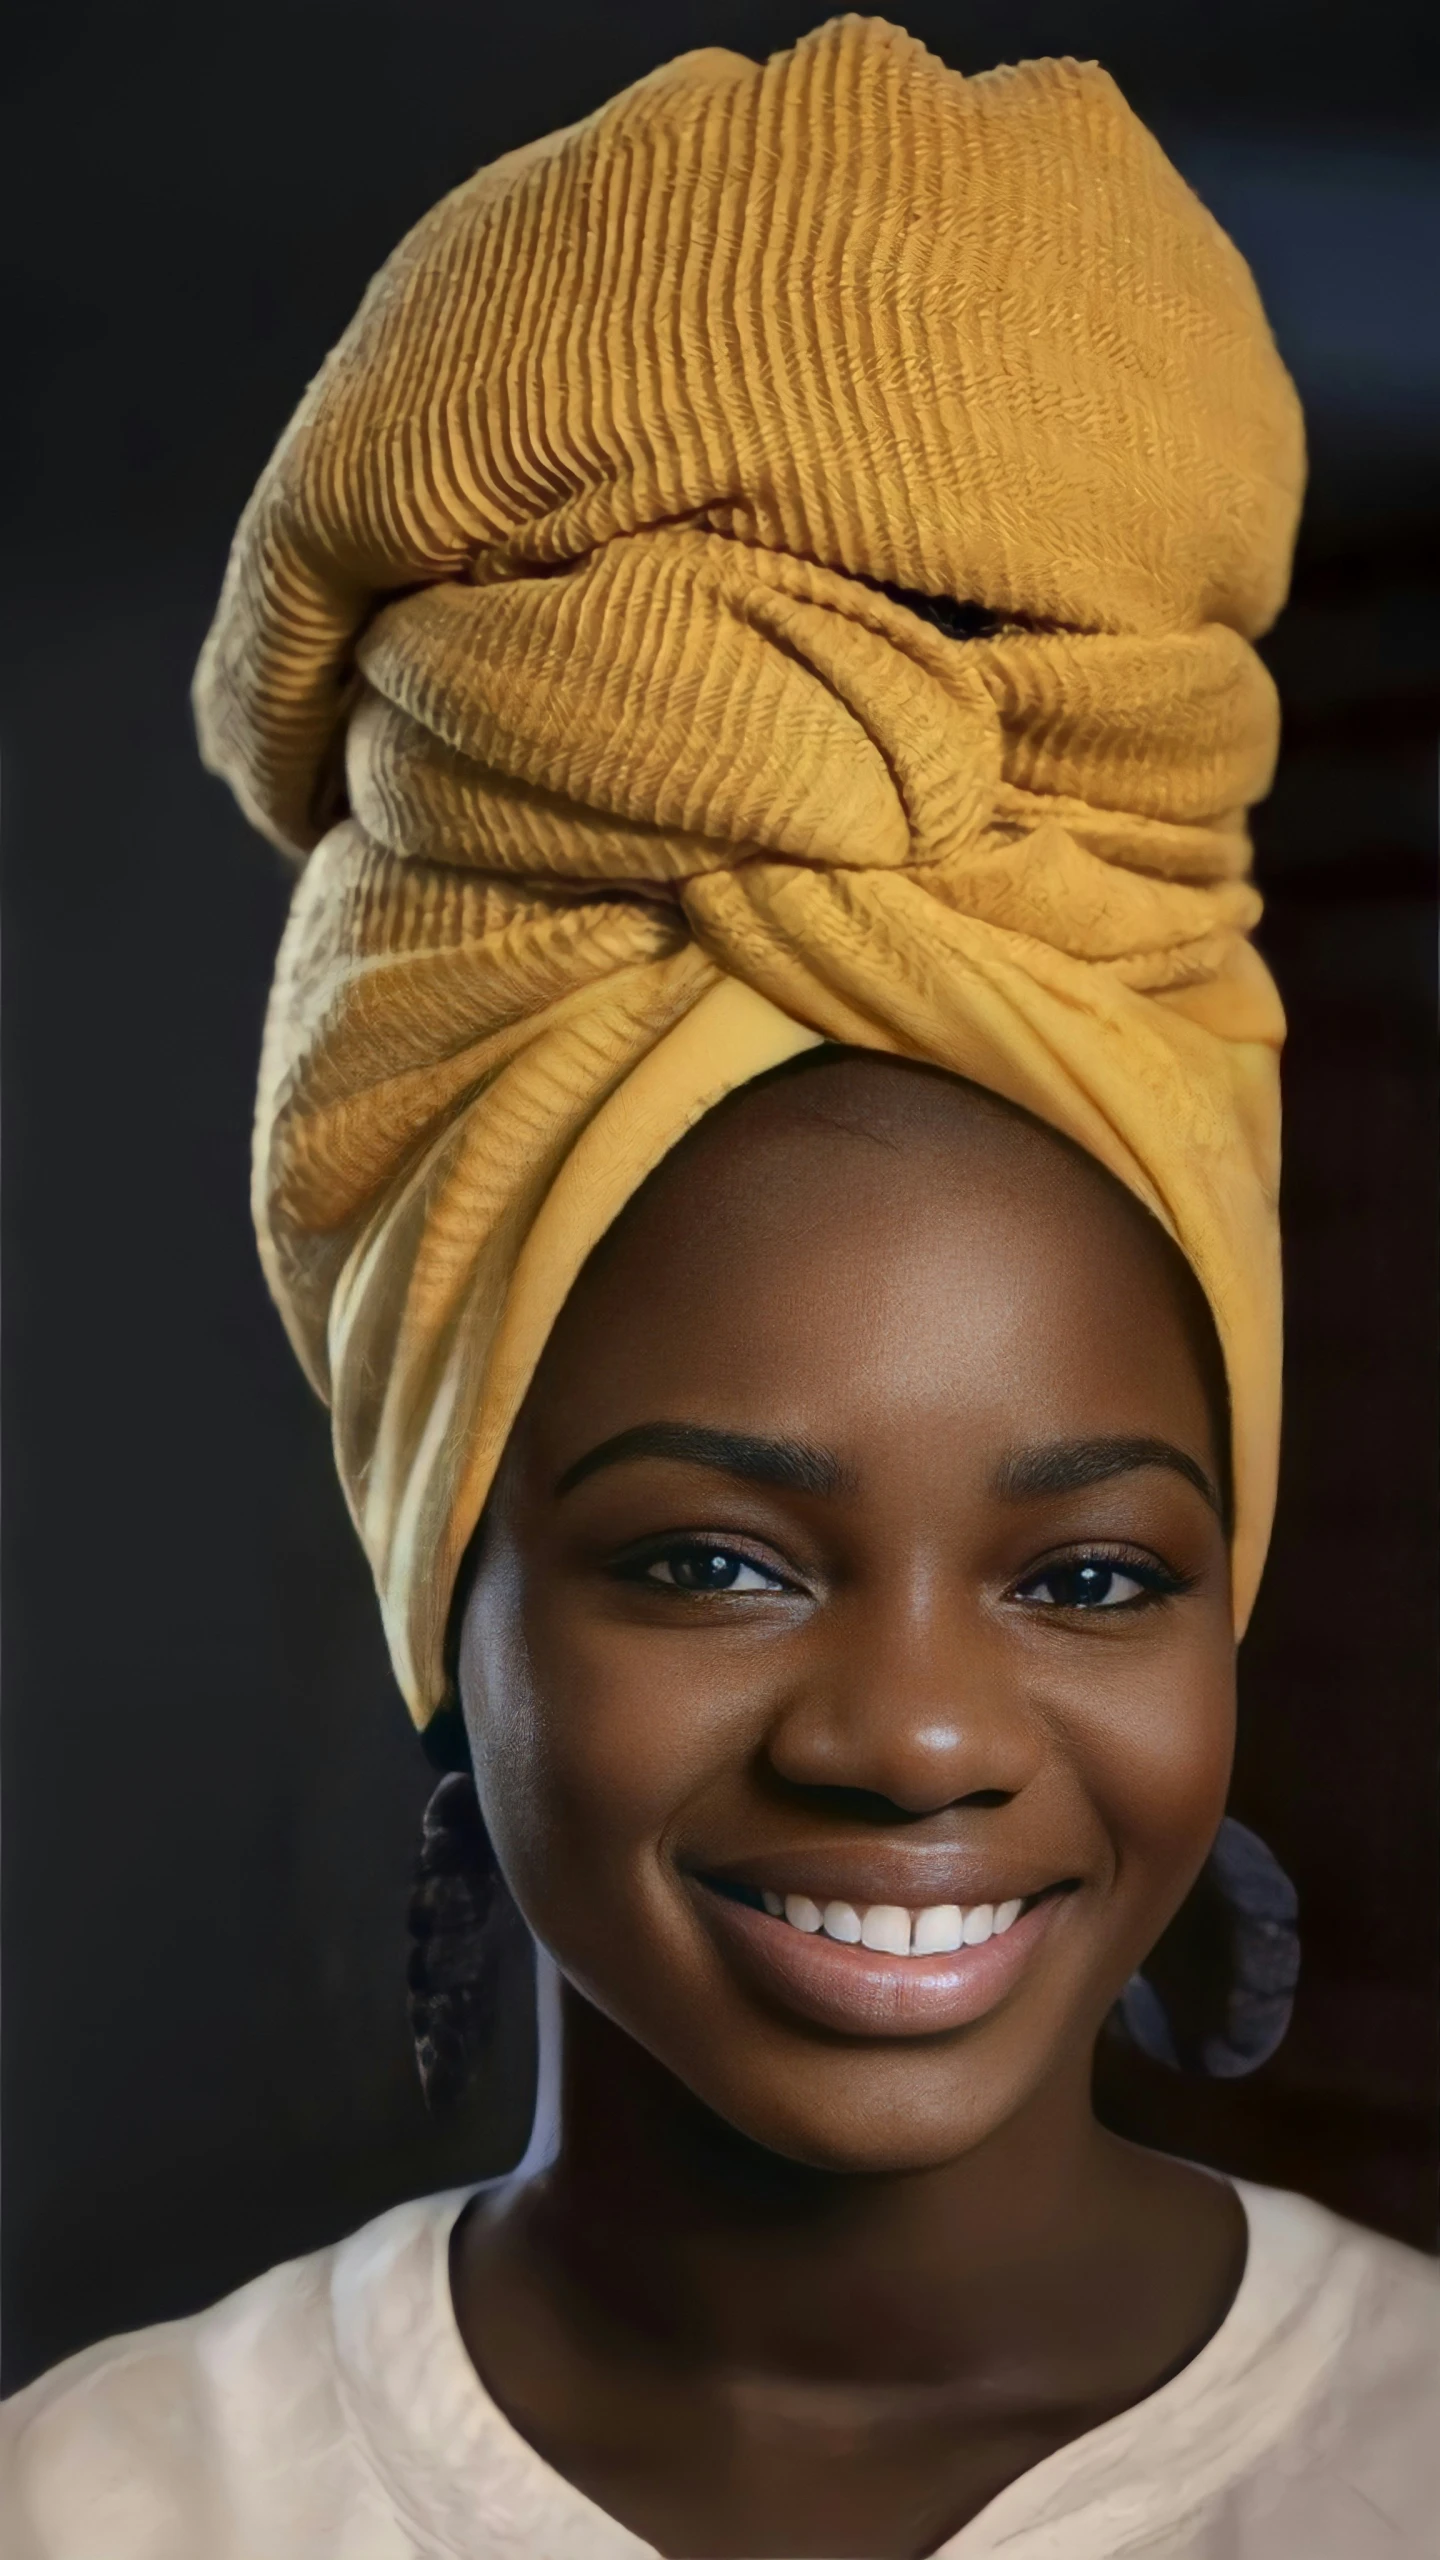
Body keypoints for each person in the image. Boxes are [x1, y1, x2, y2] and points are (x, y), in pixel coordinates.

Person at [3, 18, 1435, 2557]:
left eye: (1094, 1570)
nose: (911, 1734)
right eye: (712, 1556)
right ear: (451, 1568)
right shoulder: (105, 2505)